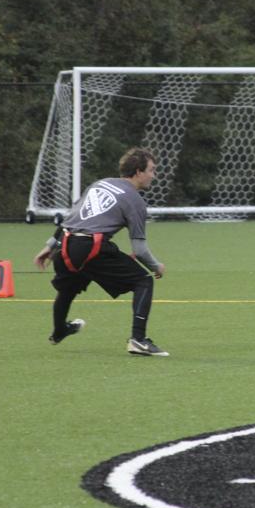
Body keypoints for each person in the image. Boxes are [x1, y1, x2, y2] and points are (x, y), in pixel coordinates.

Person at [33, 147, 169, 357]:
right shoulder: (135, 200)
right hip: (90, 248)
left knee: (69, 288)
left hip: (66, 244)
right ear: (138, 172)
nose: (154, 175)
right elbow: (140, 250)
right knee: (143, 281)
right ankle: (138, 340)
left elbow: (73, 217)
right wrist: (156, 265)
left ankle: (59, 330)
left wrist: (50, 246)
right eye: (151, 170)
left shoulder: (100, 183)